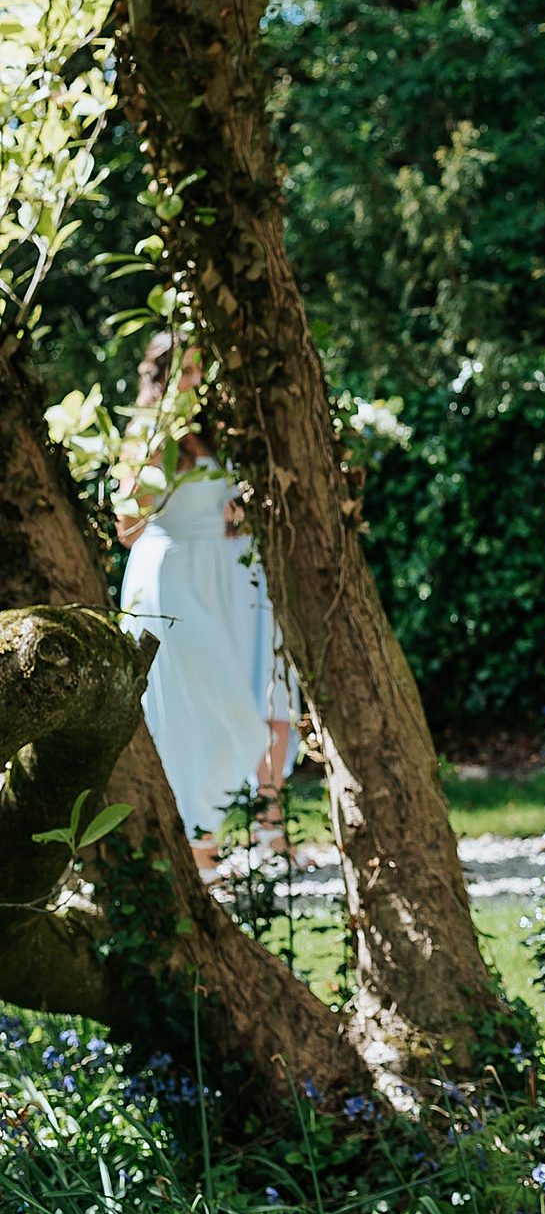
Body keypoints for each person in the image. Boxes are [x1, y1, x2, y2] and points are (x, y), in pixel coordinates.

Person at [118, 334, 297, 870]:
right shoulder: (144, 432)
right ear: (166, 375)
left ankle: (212, 840)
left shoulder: (211, 432)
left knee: (240, 701)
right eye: (191, 371)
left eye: (201, 370)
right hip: (171, 577)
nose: (200, 381)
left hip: (224, 578)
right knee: (200, 708)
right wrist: (152, 453)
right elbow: (128, 525)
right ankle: (199, 842)